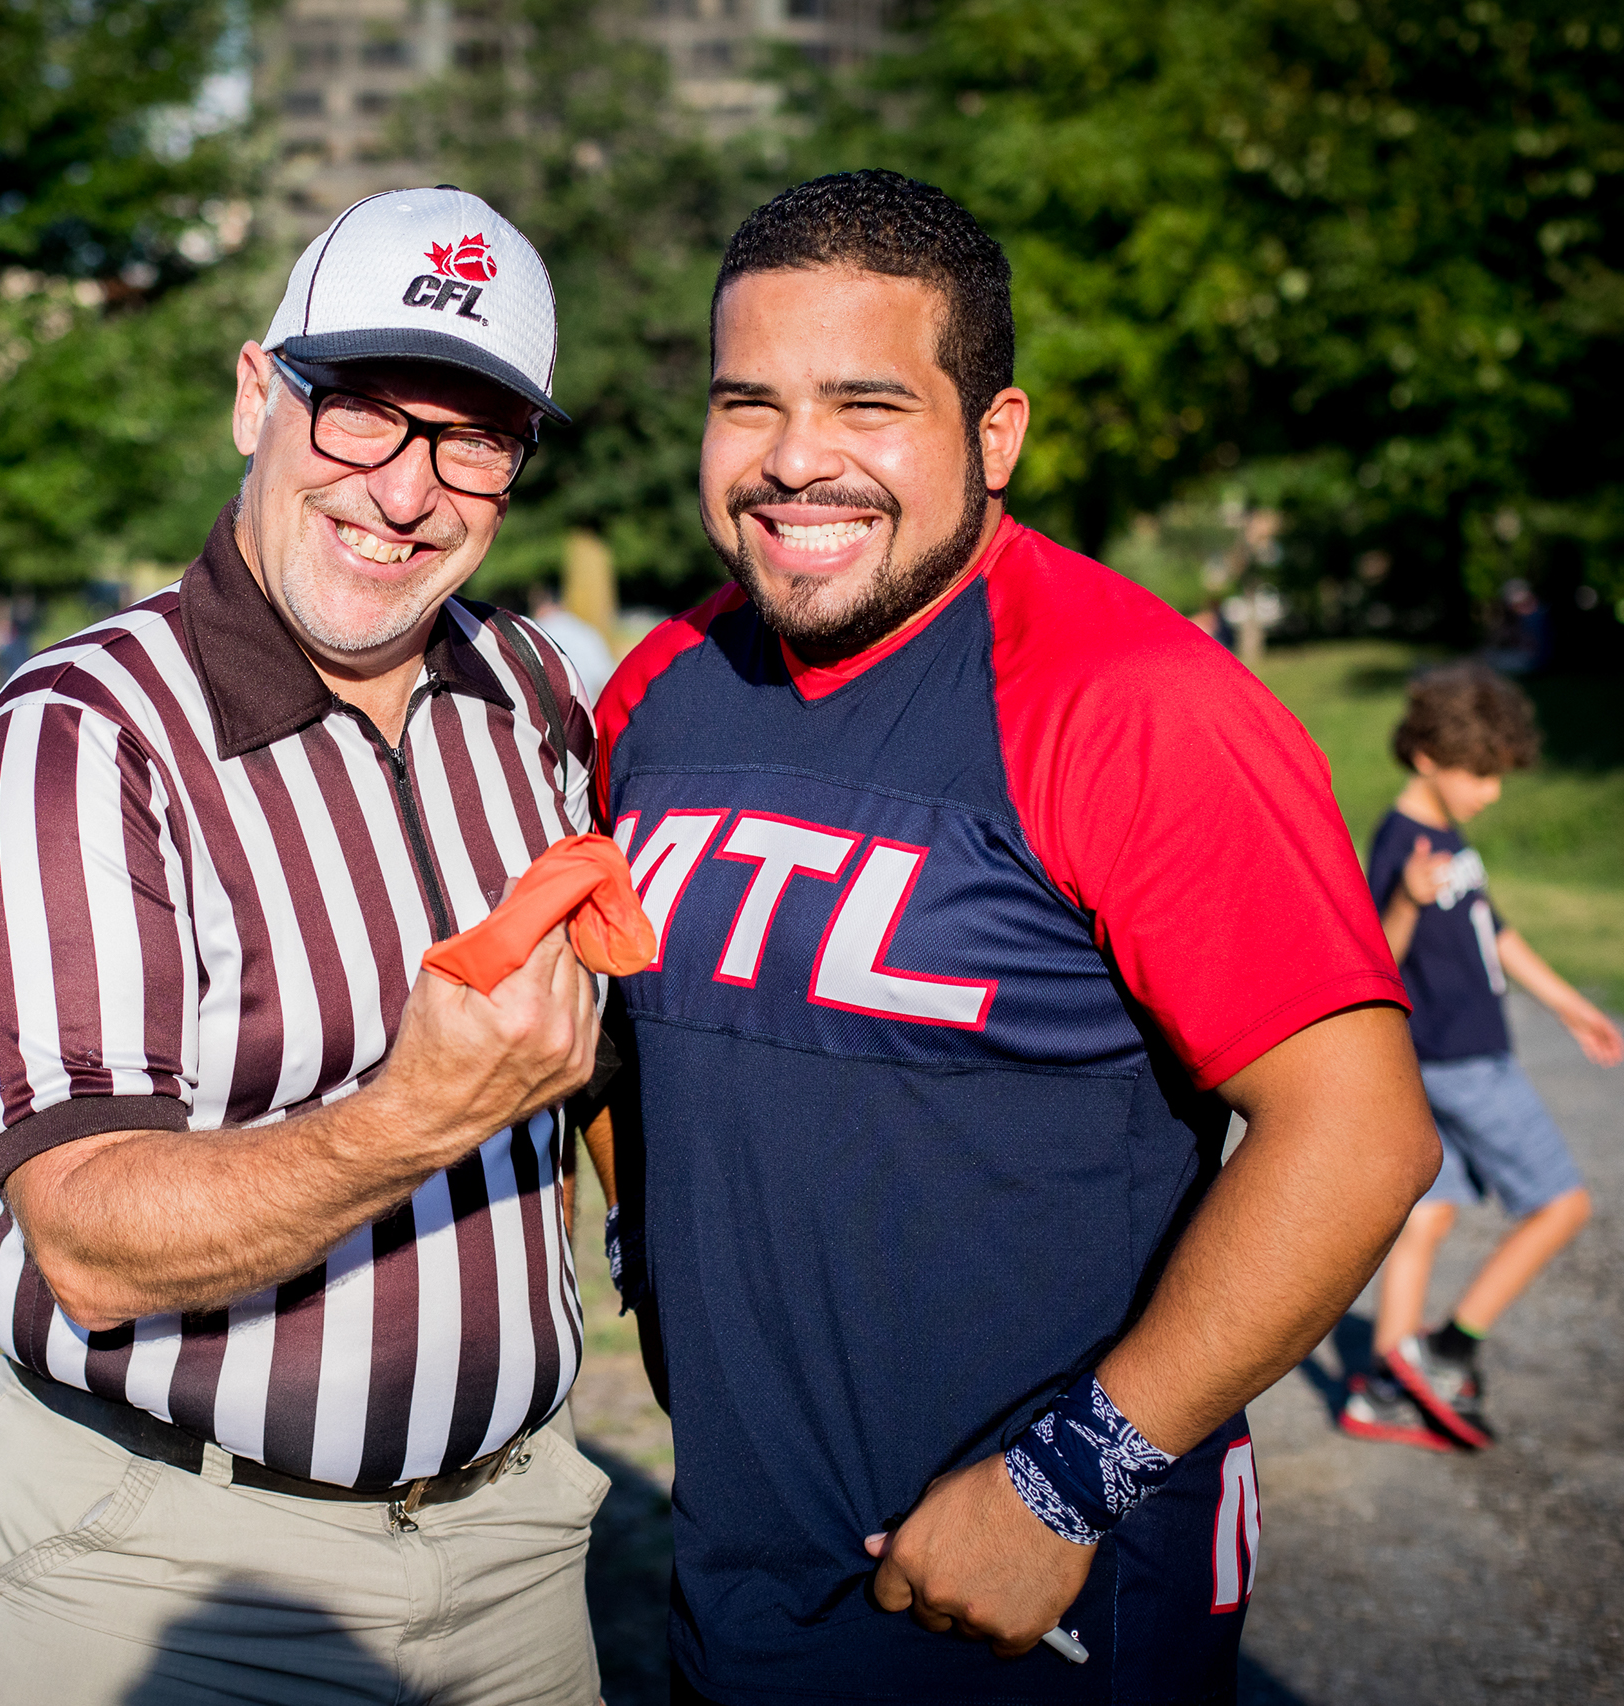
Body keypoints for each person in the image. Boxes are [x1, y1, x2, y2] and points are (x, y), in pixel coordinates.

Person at [583, 169, 1445, 1705]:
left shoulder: (1136, 700)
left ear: (994, 434)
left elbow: (1360, 1133)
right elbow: (626, 1046)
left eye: (867, 404)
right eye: (747, 403)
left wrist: (1065, 1481)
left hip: (1045, 1590)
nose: (795, 462)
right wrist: (662, 1270)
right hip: (740, 1569)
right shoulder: (661, 685)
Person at [0, 186, 615, 1706]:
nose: (406, 491)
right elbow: (88, 1239)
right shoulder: (81, 739)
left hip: (516, 1543)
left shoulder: (528, 693)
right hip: (173, 1563)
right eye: (362, 413)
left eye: (473, 439)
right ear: (258, 395)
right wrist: (414, 1116)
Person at [1341, 662, 1624, 1453]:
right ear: (1428, 758)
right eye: (1481, 774)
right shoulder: (1402, 842)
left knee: (1429, 1215)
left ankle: (1385, 1394)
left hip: (1454, 1058)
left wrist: (1570, 1005)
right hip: (1462, 1061)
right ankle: (1445, 1350)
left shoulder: (1447, 836)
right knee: (1561, 1205)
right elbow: (1378, 957)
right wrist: (1406, 900)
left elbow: (1496, 933)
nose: (1492, 790)